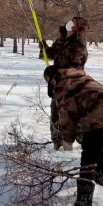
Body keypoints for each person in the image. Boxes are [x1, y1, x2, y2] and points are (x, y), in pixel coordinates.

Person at [43, 63, 103, 206]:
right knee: (102, 150)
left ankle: (84, 201)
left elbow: (68, 115)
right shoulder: (79, 77)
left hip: (99, 118)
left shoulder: (63, 86)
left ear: (50, 78)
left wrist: (67, 139)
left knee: (88, 159)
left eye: (46, 80)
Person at [39, 18, 89, 150]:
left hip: (71, 86)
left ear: (77, 29)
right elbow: (50, 55)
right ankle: (58, 144)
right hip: (57, 84)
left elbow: (75, 70)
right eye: (70, 21)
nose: (69, 23)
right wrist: (44, 48)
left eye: (73, 23)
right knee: (55, 113)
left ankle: (83, 141)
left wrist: (59, 73)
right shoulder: (61, 40)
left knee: (71, 115)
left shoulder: (79, 47)